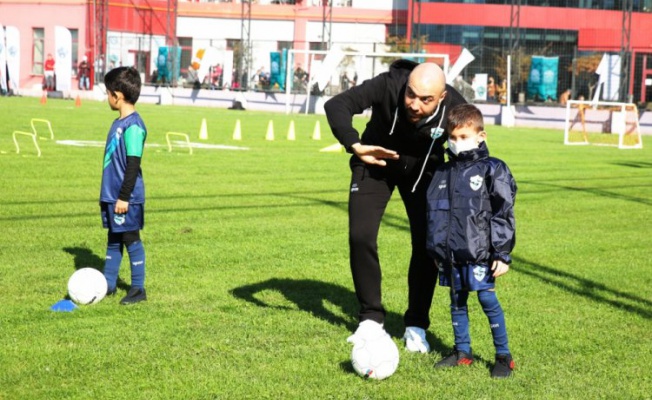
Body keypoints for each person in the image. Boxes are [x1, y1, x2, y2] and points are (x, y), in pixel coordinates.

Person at [324, 60, 467, 353]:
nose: (415, 104)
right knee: (360, 236)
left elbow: (473, 145)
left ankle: (416, 326)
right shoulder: (389, 84)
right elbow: (337, 104)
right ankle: (370, 321)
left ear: (441, 98)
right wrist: (355, 145)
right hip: (374, 162)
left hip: (423, 172)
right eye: (411, 95)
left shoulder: (455, 106)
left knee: (427, 245)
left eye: (426, 100)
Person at [426, 104, 517, 378]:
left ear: (481, 136)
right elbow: (435, 213)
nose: (457, 143)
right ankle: (462, 352)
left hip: (480, 253)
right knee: (456, 300)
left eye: (464, 137)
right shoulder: (443, 172)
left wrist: (501, 253)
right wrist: (436, 248)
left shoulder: (492, 169)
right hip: (450, 253)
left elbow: (503, 212)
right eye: (453, 138)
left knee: (488, 301)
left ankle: (503, 356)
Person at [100, 66, 149, 305]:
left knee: (131, 238)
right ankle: (108, 284)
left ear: (117, 95)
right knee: (114, 238)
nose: (106, 97)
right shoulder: (118, 122)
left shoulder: (134, 126)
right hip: (113, 195)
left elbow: (133, 165)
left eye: (107, 93)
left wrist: (123, 197)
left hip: (124, 197)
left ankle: (138, 289)